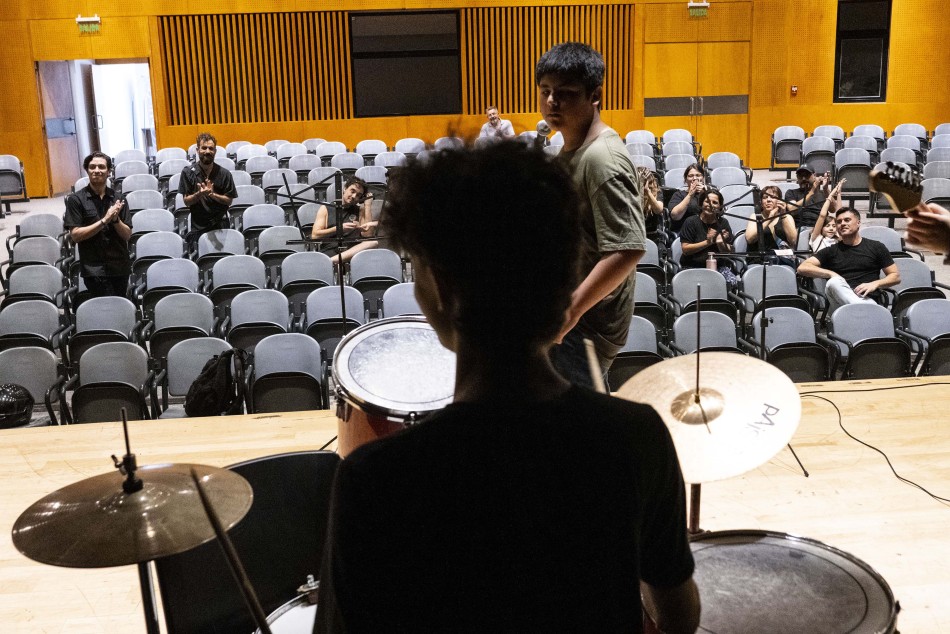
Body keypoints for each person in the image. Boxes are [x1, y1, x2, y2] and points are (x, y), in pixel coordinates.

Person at [315, 141, 699, 634]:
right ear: (565, 279)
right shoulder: (635, 436)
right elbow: (679, 617)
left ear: (439, 291)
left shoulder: (374, 480)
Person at [536, 42, 646, 388]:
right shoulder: (569, 151)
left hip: (584, 326)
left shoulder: (602, 159)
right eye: (546, 91)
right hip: (570, 318)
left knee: (575, 431)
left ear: (595, 95)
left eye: (566, 93)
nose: (552, 102)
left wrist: (569, 314)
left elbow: (627, 249)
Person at [797, 208, 900, 314]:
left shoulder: (876, 247)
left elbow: (895, 276)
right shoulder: (831, 251)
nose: (842, 224)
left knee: (859, 303)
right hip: (839, 304)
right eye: (839, 221)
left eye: (847, 220)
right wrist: (831, 274)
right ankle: (868, 311)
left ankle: (864, 310)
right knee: (833, 282)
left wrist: (875, 284)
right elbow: (802, 268)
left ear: (858, 223)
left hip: (868, 298)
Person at [63, 151, 132, 297]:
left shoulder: (119, 198)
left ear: (109, 172)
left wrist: (115, 220)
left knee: (119, 308)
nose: (97, 171)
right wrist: (104, 220)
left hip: (119, 267)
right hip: (93, 269)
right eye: (92, 167)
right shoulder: (76, 200)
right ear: (87, 170)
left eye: (101, 167)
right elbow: (75, 235)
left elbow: (126, 235)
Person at [178, 133, 237, 248]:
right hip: (198, 227)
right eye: (204, 148)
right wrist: (199, 194)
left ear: (215, 151)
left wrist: (212, 194)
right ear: (197, 150)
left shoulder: (225, 174)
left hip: (221, 226)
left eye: (211, 148)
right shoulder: (188, 172)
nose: (207, 151)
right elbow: (186, 201)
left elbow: (229, 201)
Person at [309, 176, 378, 263]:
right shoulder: (325, 208)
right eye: (352, 191)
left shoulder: (361, 210)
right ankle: (331, 262)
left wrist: (367, 206)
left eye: (358, 195)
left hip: (353, 254)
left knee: (373, 243)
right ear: (345, 189)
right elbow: (315, 236)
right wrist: (338, 228)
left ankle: (329, 262)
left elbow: (368, 236)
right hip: (330, 250)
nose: (354, 196)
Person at [679, 189, 735, 277]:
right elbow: (685, 250)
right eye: (707, 201)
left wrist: (720, 243)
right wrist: (709, 242)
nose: (710, 205)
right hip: (692, 266)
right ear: (701, 204)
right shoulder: (691, 221)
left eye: (715, 202)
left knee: (732, 282)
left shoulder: (723, 223)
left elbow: (729, 252)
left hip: (718, 267)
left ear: (720, 206)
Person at [745, 184, 797, 253]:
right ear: (761, 202)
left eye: (772, 197)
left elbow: (793, 241)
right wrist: (769, 218)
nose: (768, 200)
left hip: (782, 259)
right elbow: (749, 239)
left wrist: (783, 215)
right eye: (765, 197)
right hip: (759, 259)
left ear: (779, 200)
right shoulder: (755, 216)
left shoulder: (787, 217)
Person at [668, 164, 706, 235]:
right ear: (685, 179)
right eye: (690, 176)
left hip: (705, 230)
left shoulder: (709, 194)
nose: (694, 178)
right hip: (684, 232)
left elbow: (718, 213)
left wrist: (705, 193)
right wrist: (690, 195)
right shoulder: (678, 195)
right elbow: (675, 216)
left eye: (698, 175)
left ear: (703, 178)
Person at [809, 180, 845, 253]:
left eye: (834, 226)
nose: (831, 228)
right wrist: (831, 195)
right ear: (821, 228)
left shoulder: (839, 239)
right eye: (827, 226)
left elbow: (840, 215)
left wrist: (838, 194)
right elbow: (822, 216)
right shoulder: (817, 238)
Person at [637, 166, 665, 239]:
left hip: (653, 234)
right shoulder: (631, 192)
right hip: (637, 234)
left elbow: (658, 210)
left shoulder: (658, 192)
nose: (649, 185)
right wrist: (640, 190)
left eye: (650, 182)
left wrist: (648, 192)